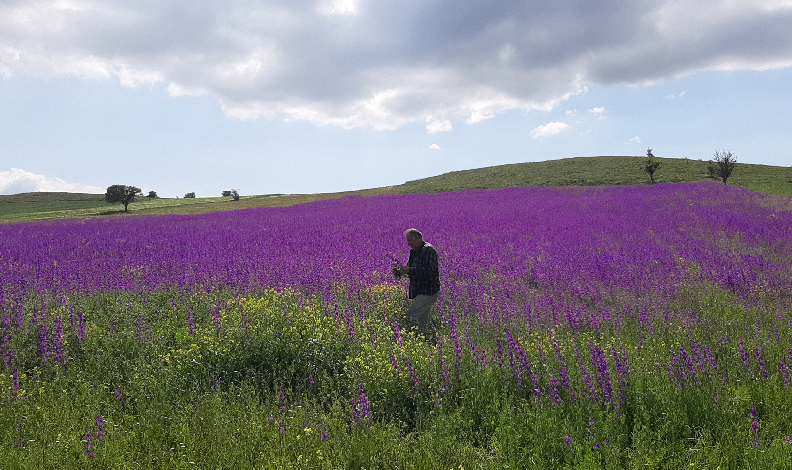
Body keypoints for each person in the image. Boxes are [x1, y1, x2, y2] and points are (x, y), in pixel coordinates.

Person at [391, 228, 440, 334]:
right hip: (419, 290)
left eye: (410, 240)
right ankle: (424, 340)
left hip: (428, 291)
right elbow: (410, 268)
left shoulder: (428, 250)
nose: (408, 243)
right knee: (422, 320)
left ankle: (413, 337)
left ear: (417, 238)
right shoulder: (414, 251)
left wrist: (409, 270)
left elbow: (429, 270)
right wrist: (399, 272)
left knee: (410, 317)